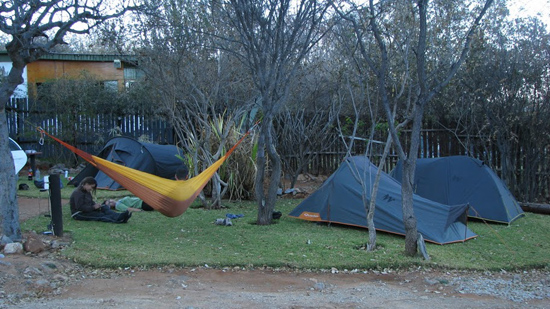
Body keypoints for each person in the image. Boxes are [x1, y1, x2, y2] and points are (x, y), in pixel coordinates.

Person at [104, 166, 190, 212]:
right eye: (109, 204)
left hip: (145, 201)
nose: (111, 202)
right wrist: (139, 211)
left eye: (109, 200)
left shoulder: (120, 201)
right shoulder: (118, 205)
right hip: (144, 204)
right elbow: (128, 209)